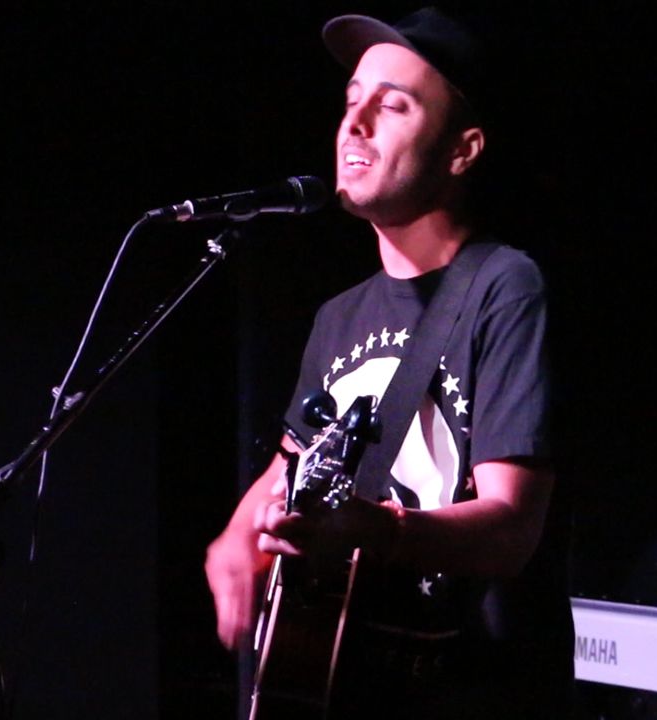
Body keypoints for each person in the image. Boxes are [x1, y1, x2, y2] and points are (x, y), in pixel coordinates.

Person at [204, 8, 571, 718]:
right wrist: (236, 539)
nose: (356, 122)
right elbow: (290, 465)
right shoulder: (339, 317)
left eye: (393, 105)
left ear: (462, 151)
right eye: (352, 101)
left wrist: (379, 530)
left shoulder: (505, 287)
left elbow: (512, 529)